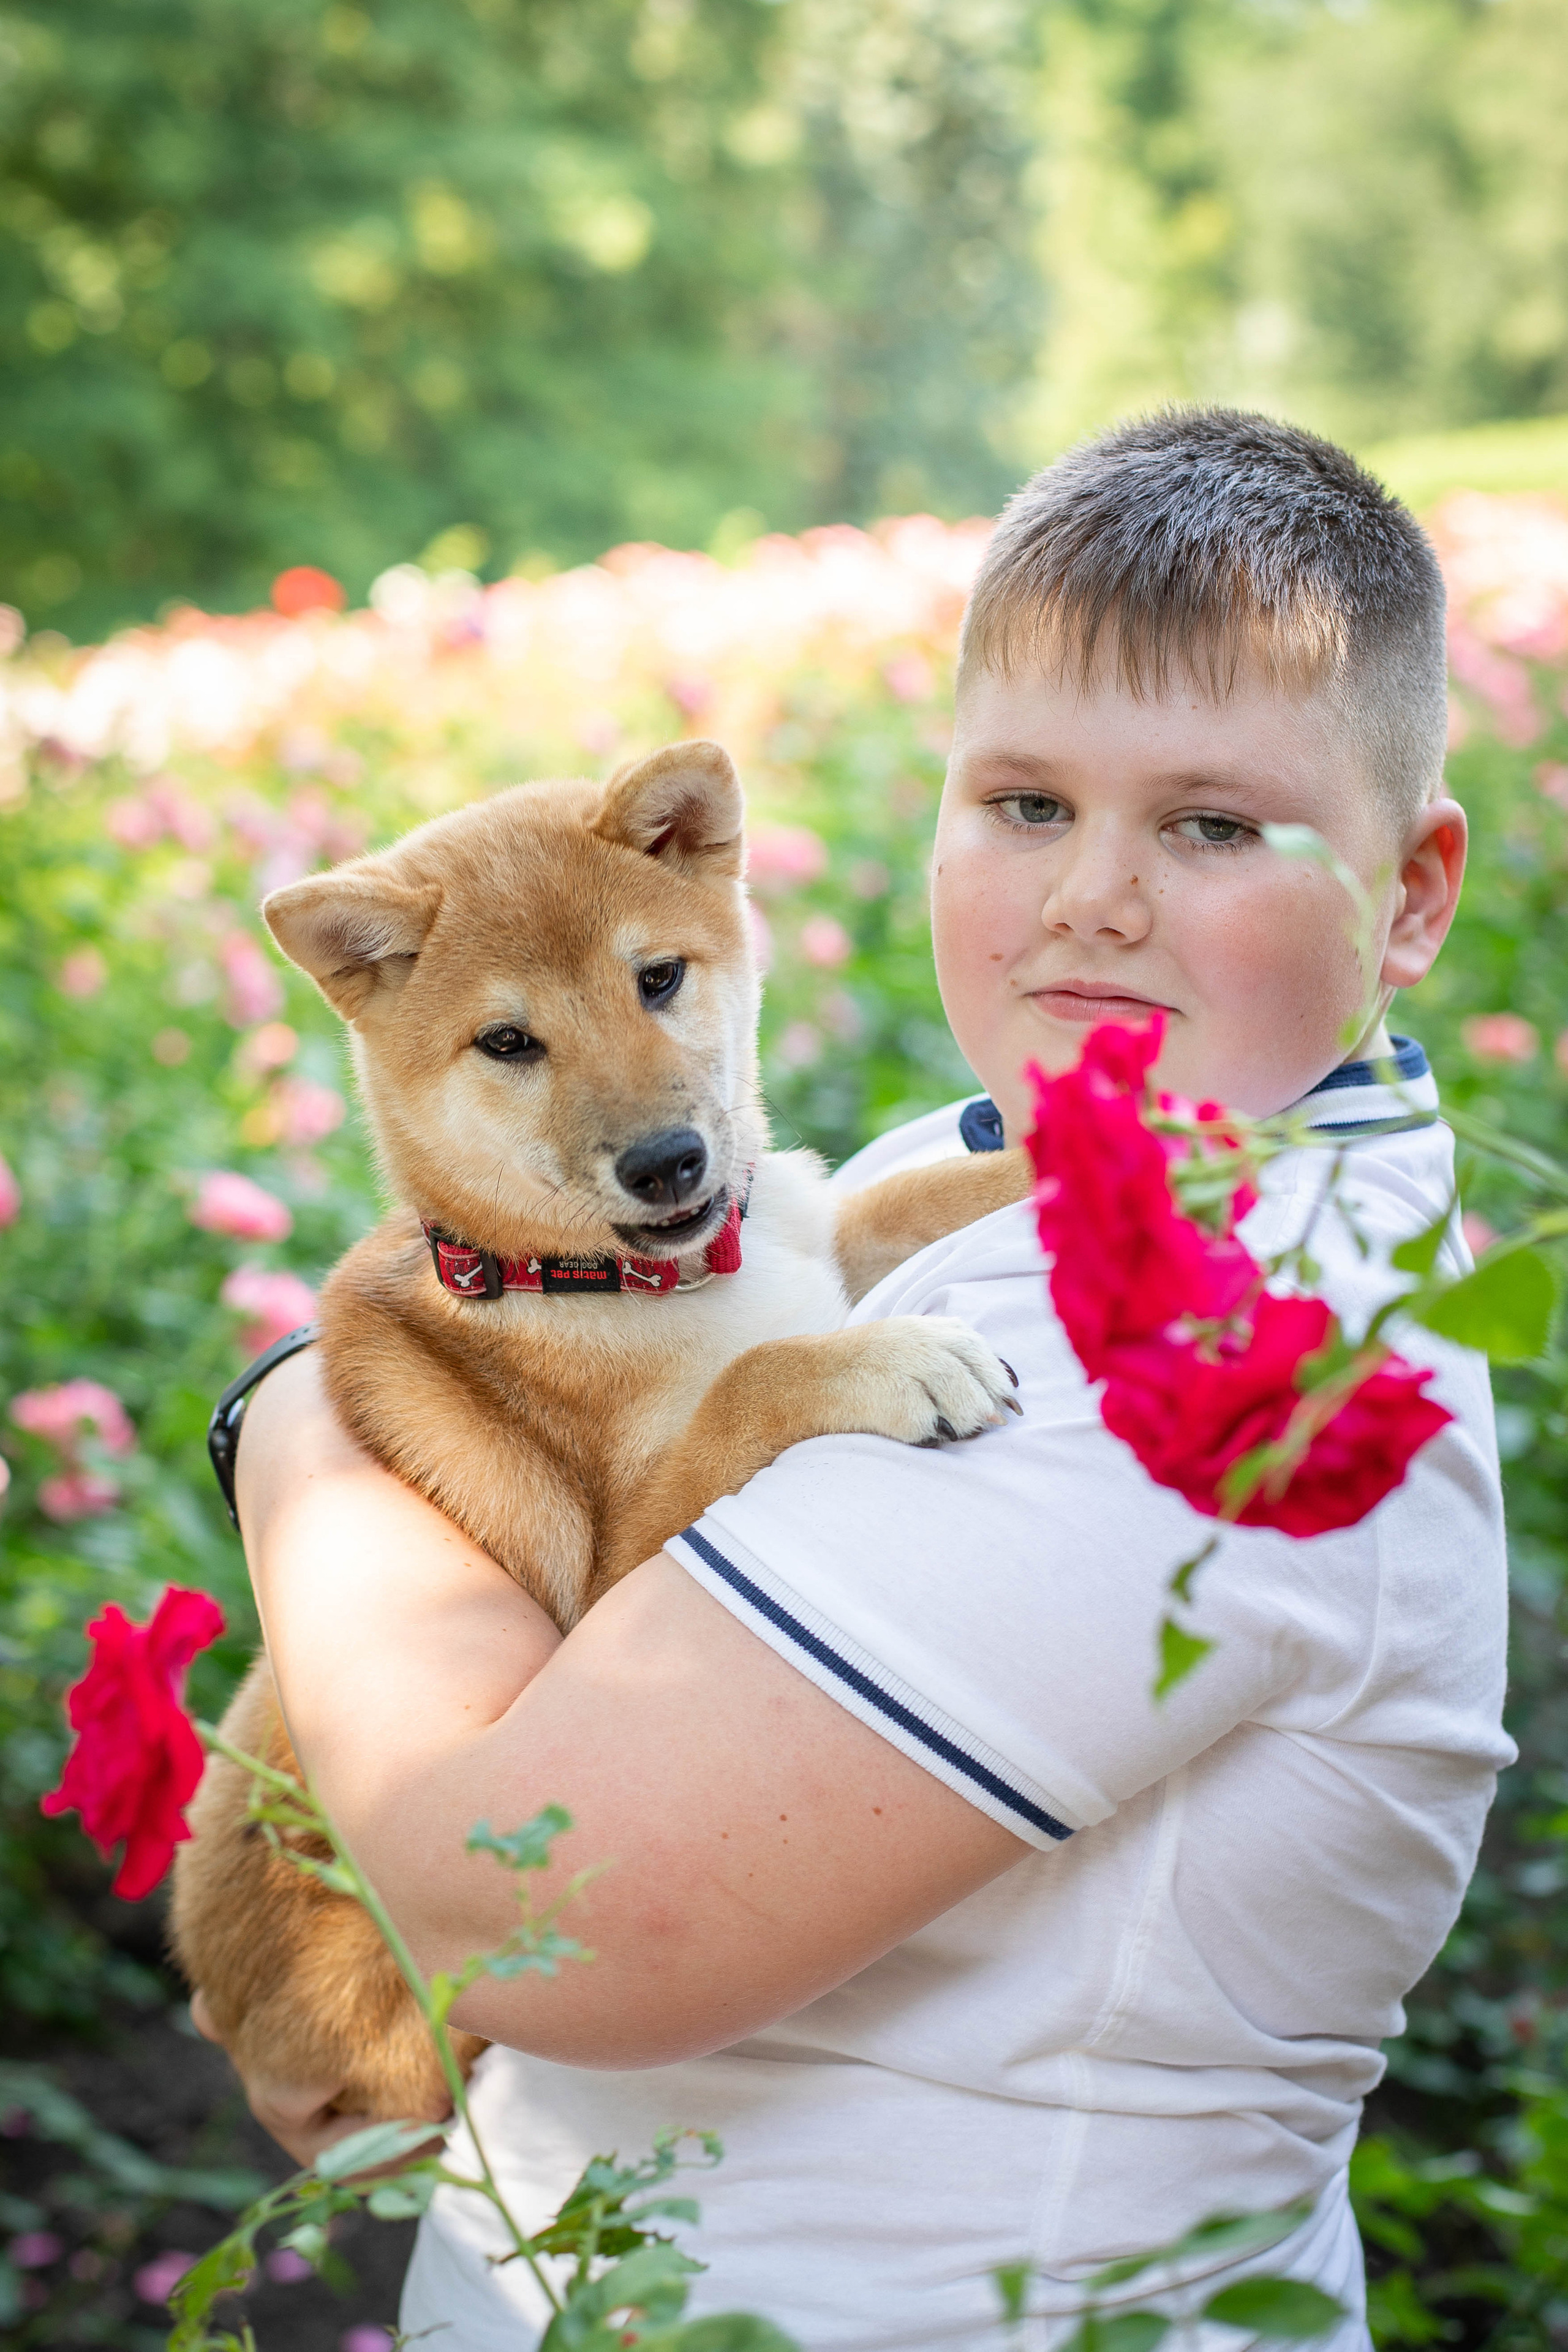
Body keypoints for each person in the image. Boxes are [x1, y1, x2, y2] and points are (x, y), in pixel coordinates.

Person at [202, 409, 1512, 2352]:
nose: (1091, 900)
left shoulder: (1209, 1373)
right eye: (1026, 803)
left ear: (1410, 893)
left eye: (1214, 825)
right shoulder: (1046, 1177)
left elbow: (523, 1918)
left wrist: (300, 1424)